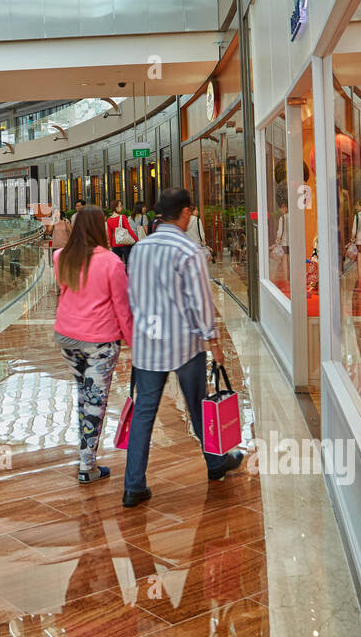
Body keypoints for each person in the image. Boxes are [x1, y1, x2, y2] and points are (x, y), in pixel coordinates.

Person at [122, 187, 246, 508]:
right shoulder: (188, 250)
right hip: (184, 342)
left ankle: (133, 486)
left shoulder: (140, 249)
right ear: (186, 213)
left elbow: (132, 296)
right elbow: (200, 301)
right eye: (191, 211)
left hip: (148, 343)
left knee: (144, 413)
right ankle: (216, 463)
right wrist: (213, 341)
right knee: (198, 405)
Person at [53, 204, 132, 483]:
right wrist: (132, 341)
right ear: (100, 228)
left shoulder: (61, 257)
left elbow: (64, 291)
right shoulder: (111, 261)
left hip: (67, 338)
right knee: (94, 401)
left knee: (85, 396)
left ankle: (86, 456)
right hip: (99, 340)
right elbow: (122, 307)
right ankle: (87, 466)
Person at [107, 200, 137, 265]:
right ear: (116, 207)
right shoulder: (122, 217)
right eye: (120, 206)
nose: (122, 207)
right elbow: (129, 230)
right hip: (125, 243)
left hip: (115, 244)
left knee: (118, 264)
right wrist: (136, 240)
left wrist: (111, 246)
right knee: (128, 263)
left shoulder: (109, 219)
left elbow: (109, 234)